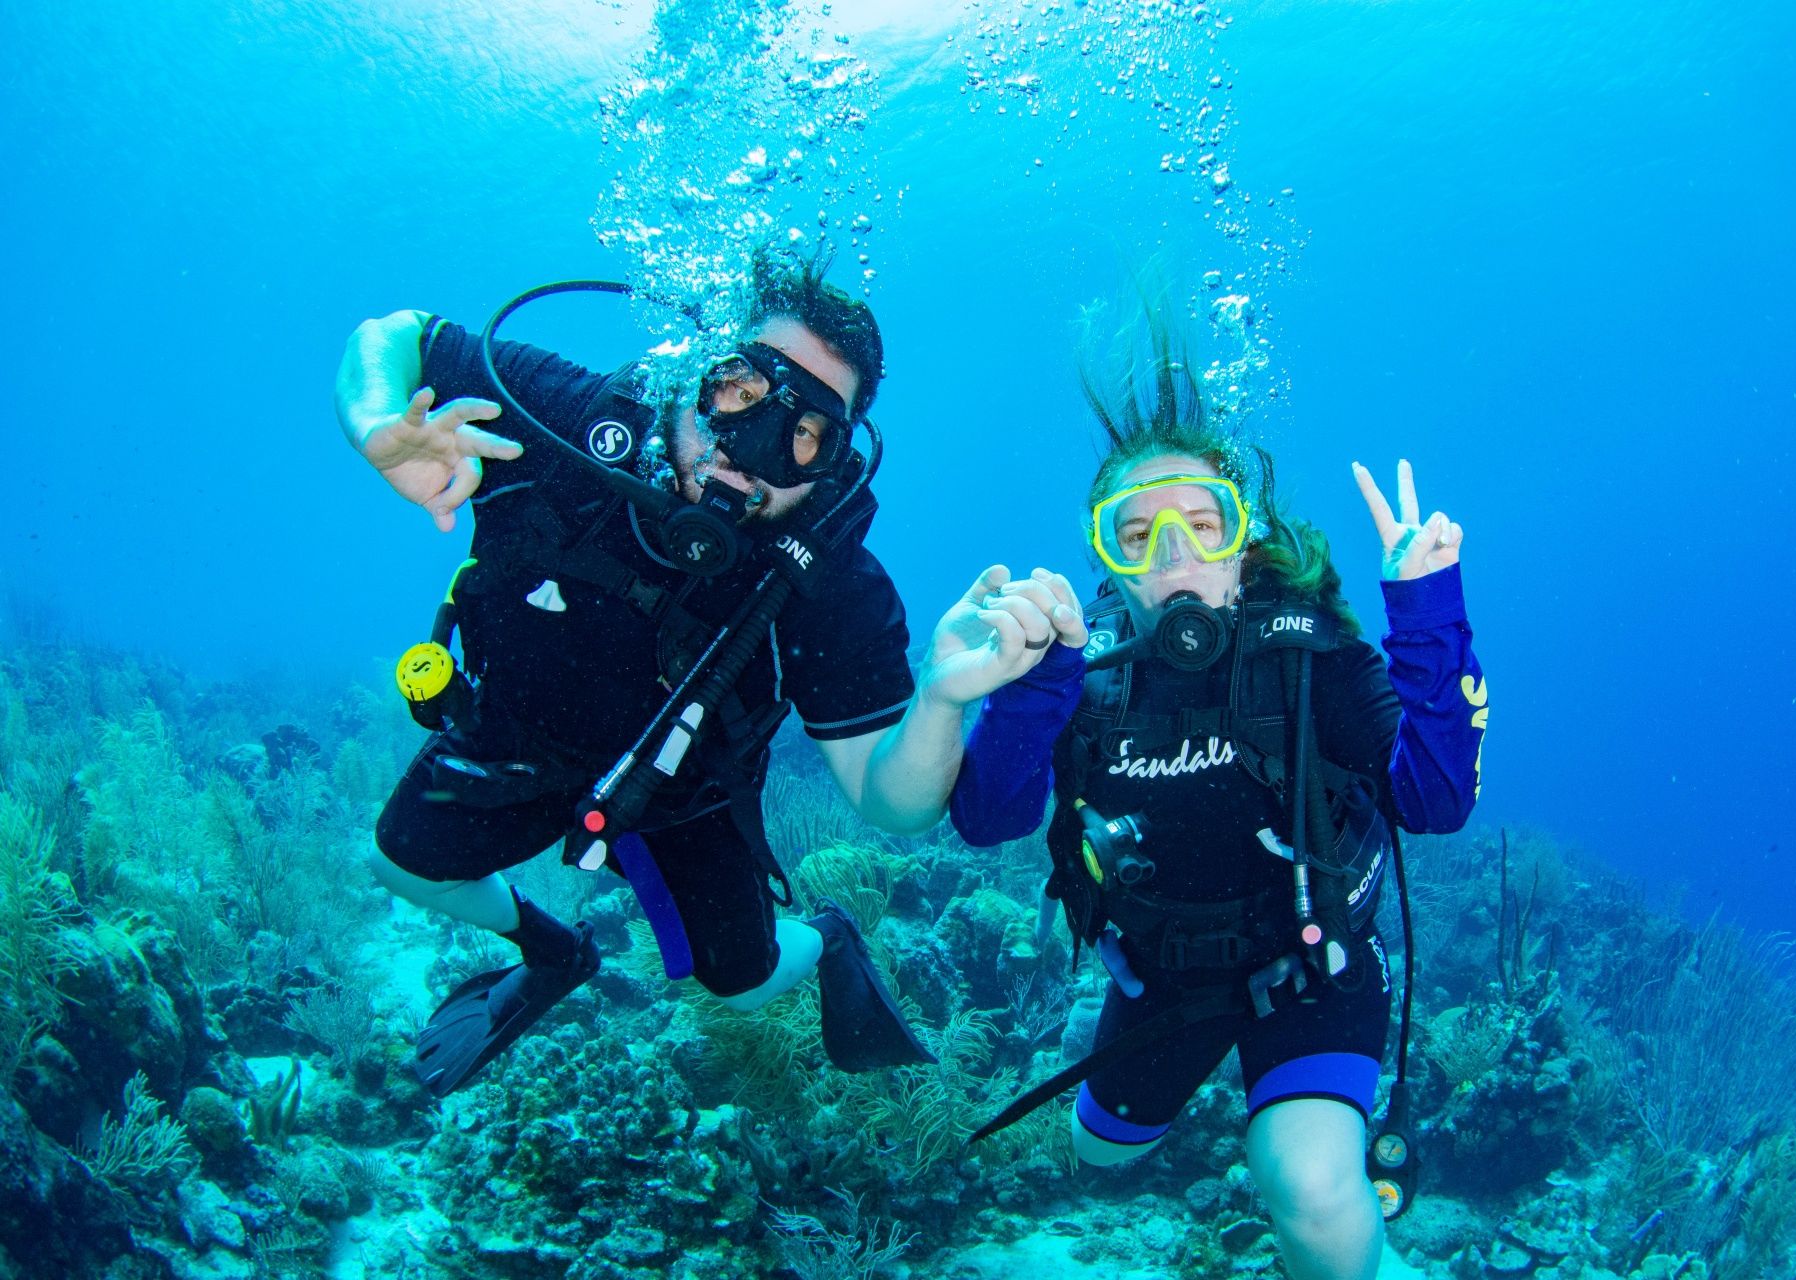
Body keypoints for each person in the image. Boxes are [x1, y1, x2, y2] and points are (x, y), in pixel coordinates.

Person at [334, 248, 1062, 1096]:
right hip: (518, 736)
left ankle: (825, 937)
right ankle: (552, 949)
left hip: (687, 796)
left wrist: (940, 699)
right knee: (399, 865)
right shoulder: (569, 421)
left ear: (833, 460)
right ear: (696, 372)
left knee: (744, 984)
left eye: (803, 433)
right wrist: (377, 423)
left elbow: (887, 802)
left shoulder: (829, 584)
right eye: (744, 392)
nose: (749, 452)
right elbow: (391, 335)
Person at [948, 307, 1486, 1280]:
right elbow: (987, 816)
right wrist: (1030, 691)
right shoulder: (1087, 676)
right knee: (1098, 1152)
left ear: (1244, 540)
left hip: (1313, 972)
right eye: (1134, 534)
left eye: (1204, 524)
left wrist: (1426, 607)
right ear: (1106, 557)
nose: (1175, 556)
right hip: (1160, 984)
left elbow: (1438, 799)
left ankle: (1387, 1264)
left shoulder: (1312, 656)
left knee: (1315, 1193)